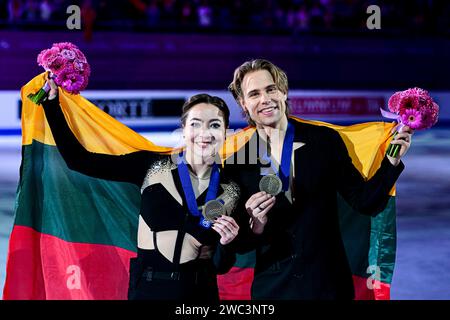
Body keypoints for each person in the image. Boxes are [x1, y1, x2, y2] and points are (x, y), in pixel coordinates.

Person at [224, 59, 413, 300]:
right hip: (272, 289)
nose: (265, 99)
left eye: (271, 89)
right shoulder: (236, 163)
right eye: (254, 94)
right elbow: (240, 245)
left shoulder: (324, 140)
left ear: (283, 91)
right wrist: (255, 225)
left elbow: (365, 202)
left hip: (328, 284)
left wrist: (392, 160)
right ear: (243, 103)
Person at [40, 79, 240, 301]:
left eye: (214, 125)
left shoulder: (231, 188)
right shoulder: (150, 166)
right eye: (195, 124)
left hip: (200, 292)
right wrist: (52, 106)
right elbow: (78, 160)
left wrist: (227, 244)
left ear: (226, 132)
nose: (205, 133)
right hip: (148, 290)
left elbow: (221, 266)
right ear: (183, 129)